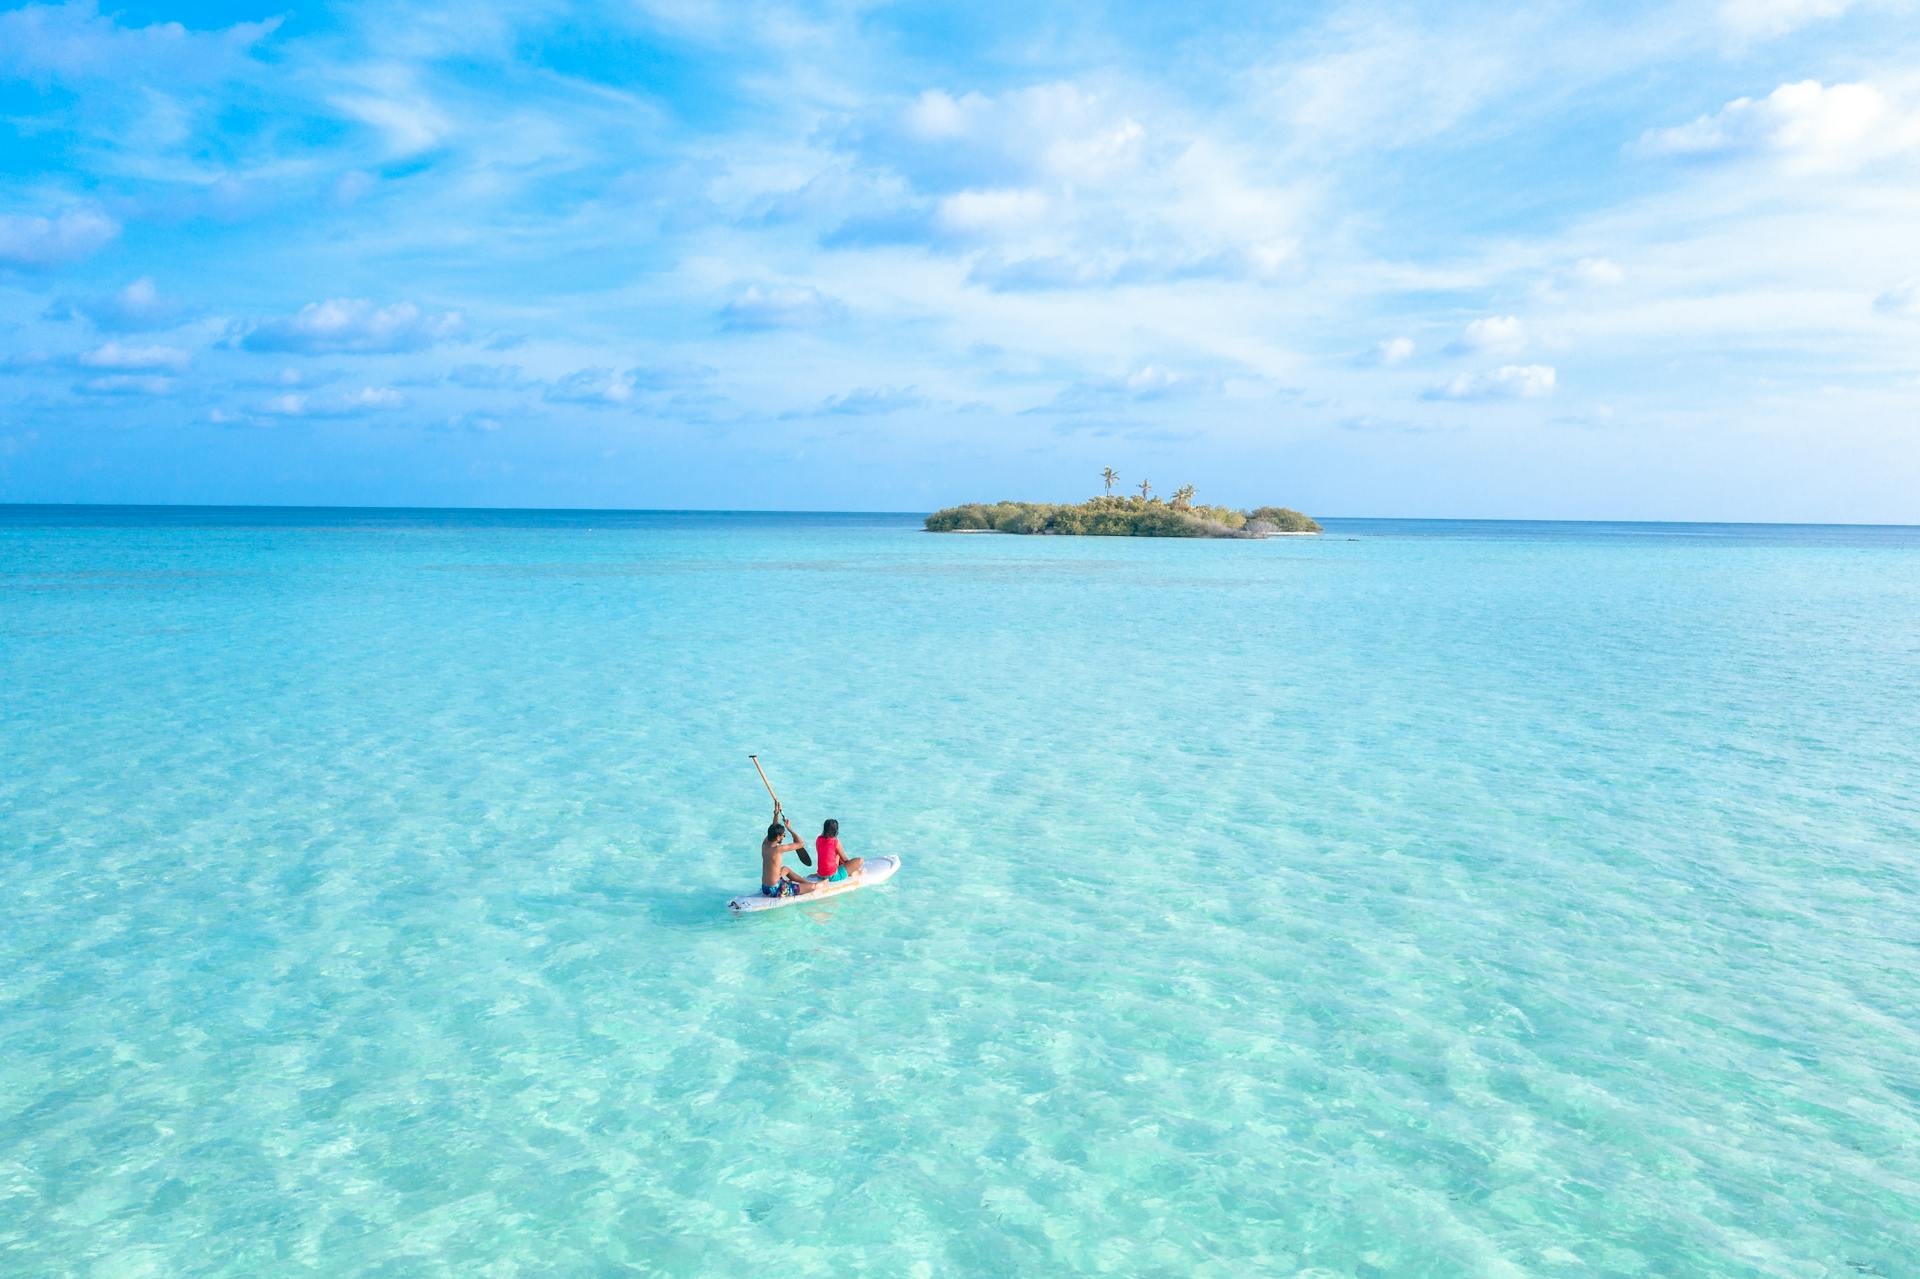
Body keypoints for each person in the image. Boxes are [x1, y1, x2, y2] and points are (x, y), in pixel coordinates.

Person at [759, 809, 818, 898]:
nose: (784, 836)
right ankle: (811, 885)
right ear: (778, 837)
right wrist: (789, 828)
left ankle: (805, 883)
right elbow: (801, 844)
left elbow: (773, 829)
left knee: (785, 869)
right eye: (783, 835)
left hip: (765, 888)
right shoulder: (778, 849)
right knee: (814, 887)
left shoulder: (765, 845)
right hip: (776, 890)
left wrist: (776, 813)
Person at [813, 818, 863, 883]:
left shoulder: (818, 839)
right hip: (832, 877)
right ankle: (851, 873)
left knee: (837, 854)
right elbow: (845, 860)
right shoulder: (835, 842)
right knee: (860, 860)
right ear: (835, 830)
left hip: (820, 874)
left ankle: (842, 871)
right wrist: (852, 867)